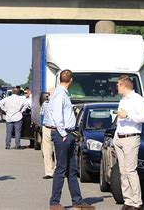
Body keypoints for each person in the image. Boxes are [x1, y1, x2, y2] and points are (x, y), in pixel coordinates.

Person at [47, 70, 94, 210]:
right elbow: (57, 116)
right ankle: (54, 202)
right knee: (61, 169)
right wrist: (63, 134)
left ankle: (77, 201)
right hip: (63, 135)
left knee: (72, 170)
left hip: (68, 134)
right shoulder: (60, 94)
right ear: (71, 80)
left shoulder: (62, 94)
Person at [114, 75, 144, 210]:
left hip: (131, 137)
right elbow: (120, 119)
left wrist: (128, 115)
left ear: (124, 85)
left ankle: (136, 201)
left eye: (118, 85)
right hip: (120, 136)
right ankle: (127, 200)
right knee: (122, 171)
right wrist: (116, 135)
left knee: (130, 170)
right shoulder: (122, 100)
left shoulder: (138, 100)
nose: (116, 87)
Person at [40, 88, 56, 179]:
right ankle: (56, 170)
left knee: (48, 151)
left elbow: (42, 113)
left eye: (49, 94)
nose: (47, 96)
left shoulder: (45, 104)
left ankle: (49, 172)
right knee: (56, 151)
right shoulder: (59, 104)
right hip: (52, 128)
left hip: (48, 127)